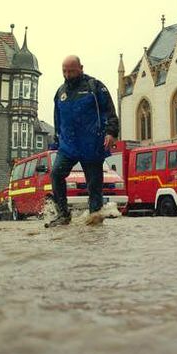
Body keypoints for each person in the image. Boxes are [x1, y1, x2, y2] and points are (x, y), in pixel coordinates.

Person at [46, 55, 119, 227]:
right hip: (68, 146)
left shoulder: (95, 87)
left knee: (94, 184)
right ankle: (63, 214)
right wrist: (57, 140)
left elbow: (110, 111)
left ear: (81, 68)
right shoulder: (60, 92)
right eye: (64, 71)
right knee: (56, 175)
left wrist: (111, 132)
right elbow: (58, 119)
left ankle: (95, 217)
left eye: (71, 71)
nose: (67, 74)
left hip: (91, 144)